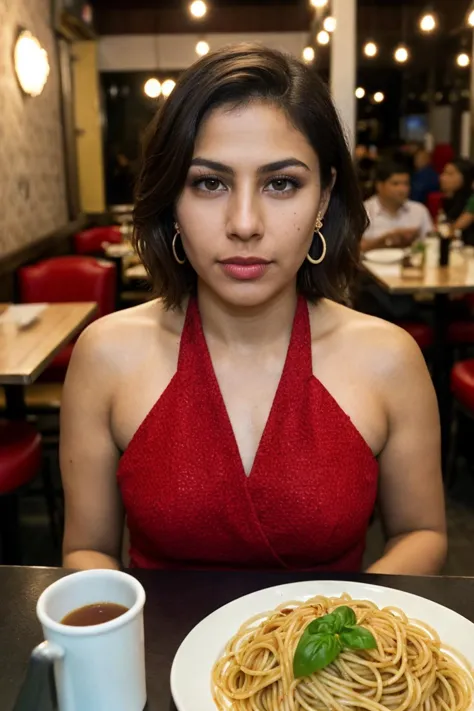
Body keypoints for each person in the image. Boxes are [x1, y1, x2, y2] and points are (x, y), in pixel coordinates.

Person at [60, 44, 446, 575]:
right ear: (172, 198)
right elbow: (88, 550)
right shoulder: (106, 354)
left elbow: (419, 533)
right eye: (209, 183)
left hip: (327, 655)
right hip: (154, 654)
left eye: (281, 183)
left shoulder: (389, 358)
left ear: (324, 196)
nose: (244, 222)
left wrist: (338, 629)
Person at [362, 162, 433, 253]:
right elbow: (353, 249)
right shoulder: (363, 211)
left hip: (411, 266)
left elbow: (431, 245)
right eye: (395, 184)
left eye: (406, 184)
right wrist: (384, 240)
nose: (402, 189)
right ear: (379, 186)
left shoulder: (419, 210)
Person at [440, 159, 474, 246]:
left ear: (465, 177)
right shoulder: (449, 199)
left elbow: (453, 229)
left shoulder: (471, 199)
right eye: (444, 173)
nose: (442, 177)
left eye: (450, 174)